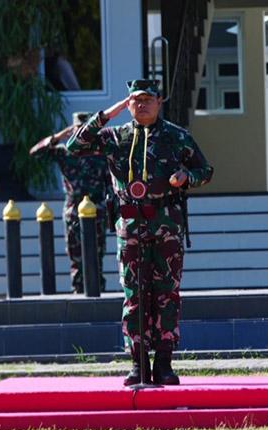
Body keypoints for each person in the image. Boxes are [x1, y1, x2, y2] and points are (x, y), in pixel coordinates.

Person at [65, 79, 214, 386]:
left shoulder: (176, 136)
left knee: (166, 294)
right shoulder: (114, 137)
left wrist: (186, 177)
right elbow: (74, 146)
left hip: (166, 226)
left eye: (148, 99)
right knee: (134, 295)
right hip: (130, 226)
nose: (141, 104)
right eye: (135, 100)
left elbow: (205, 171)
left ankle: (164, 363)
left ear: (159, 101)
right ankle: (137, 363)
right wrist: (111, 112)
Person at [30, 112, 113, 294]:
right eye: (78, 129)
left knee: (96, 257)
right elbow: (35, 153)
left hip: (97, 210)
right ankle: (78, 294)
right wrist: (58, 136)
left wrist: (112, 212)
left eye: (86, 129)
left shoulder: (102, 152)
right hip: (73, 211)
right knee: (76, 258)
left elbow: (111, 185)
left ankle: (97, 296)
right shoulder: (64, 151)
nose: (82, 133)